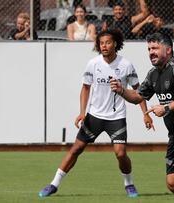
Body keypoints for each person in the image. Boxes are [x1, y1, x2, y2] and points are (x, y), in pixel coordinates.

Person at [38, 29, 154, 198]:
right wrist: (81, 112)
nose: (104, 46)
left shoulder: (126, 65)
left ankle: (129, 184)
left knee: (120, 153)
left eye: (107, 42)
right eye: (101, 43)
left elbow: (139, 91)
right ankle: (54, 184)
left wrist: (146, 113)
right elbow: (85, 88)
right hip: (94, 117)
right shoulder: (93, 64)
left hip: (116, 118)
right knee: (76, 149)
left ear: (115, 44)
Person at [109, 32, 174, 203]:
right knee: (171, 183)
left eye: (155, 48)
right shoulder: (153, 74)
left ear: (168, 50)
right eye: (149, 49)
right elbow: (137, 97)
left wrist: (166, 107)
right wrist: (121, 90)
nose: (151, 52)